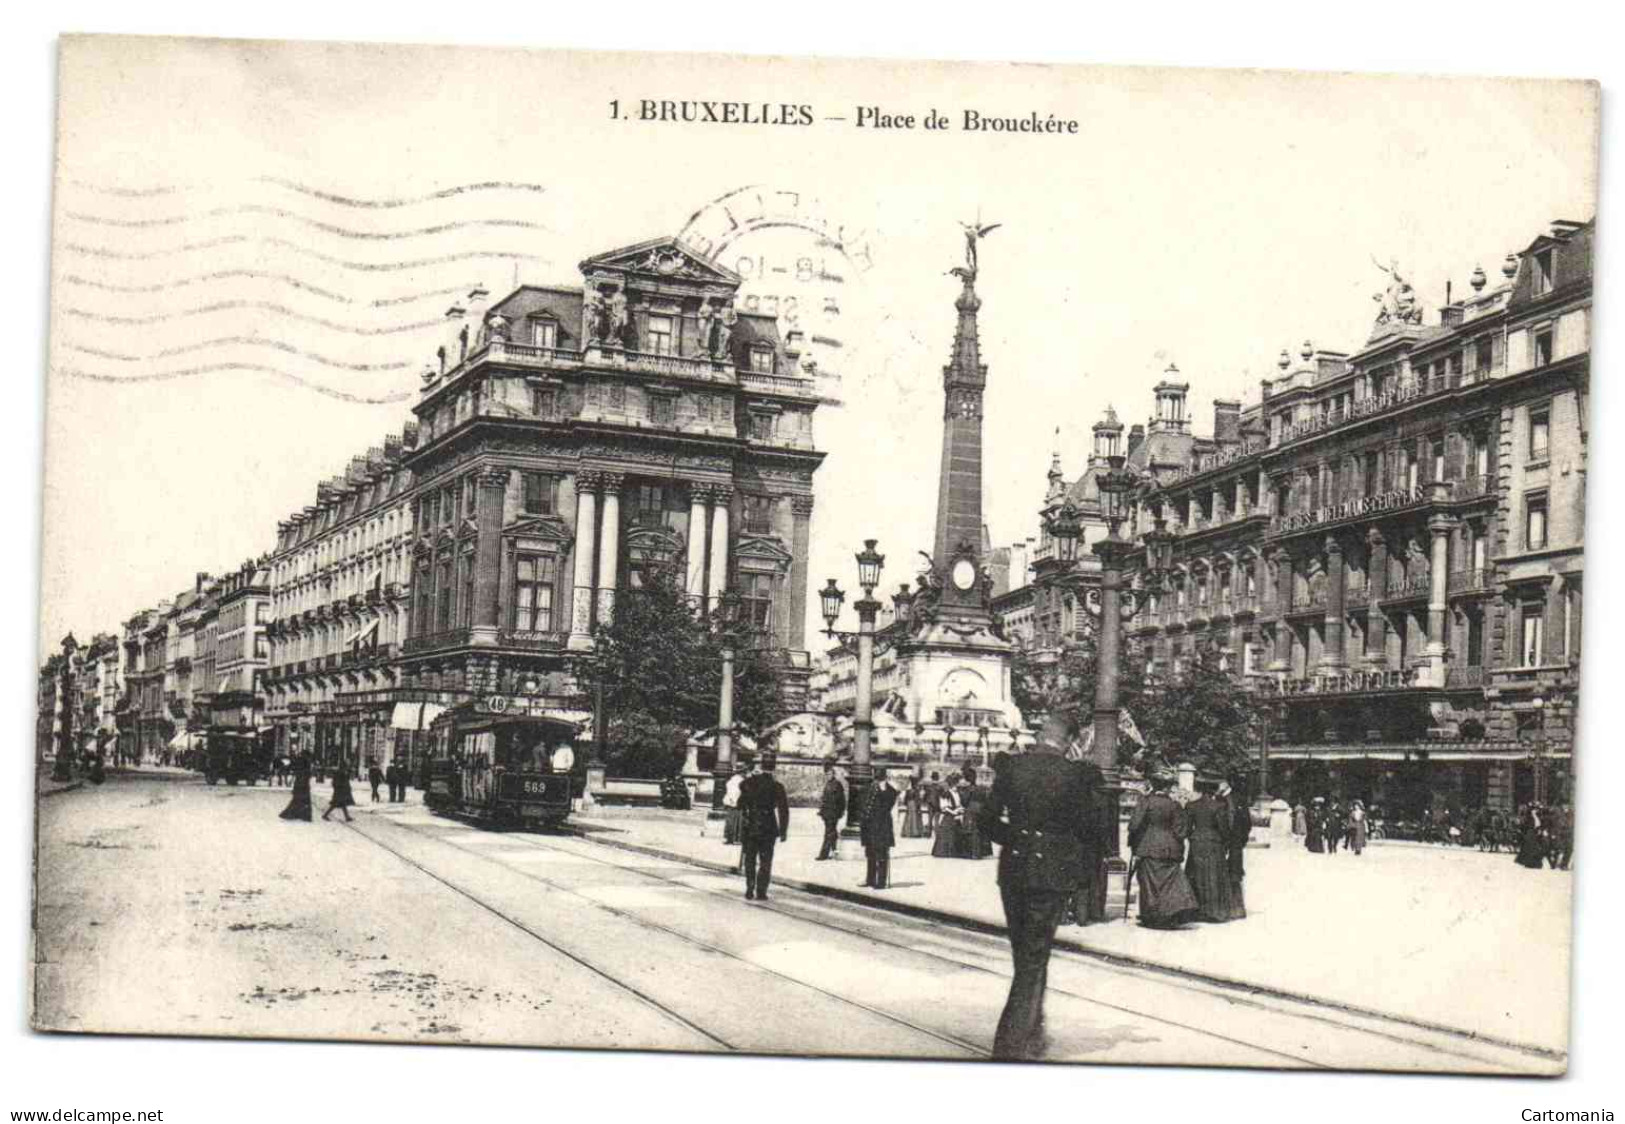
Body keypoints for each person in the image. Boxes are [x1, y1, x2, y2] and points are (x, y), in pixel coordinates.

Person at [976, 710, 1094, 1061]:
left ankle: (1032, 1031)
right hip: (1052, 873)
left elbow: (985, 820)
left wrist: (1015, 840)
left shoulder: (1012, 767)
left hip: (1013, 869)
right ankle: (1010, 1046)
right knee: (1033, 957)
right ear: (1070, 741)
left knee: (1024, 954)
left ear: (1041, 735)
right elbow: (1090, 831)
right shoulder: (1076, 776)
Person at [1128, 771, 1198, 929]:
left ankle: (1151, 916)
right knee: (1169, 883)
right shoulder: (1174, 805)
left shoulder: (1146, 801)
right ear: (1167, 787)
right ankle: (1169, 914)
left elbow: (1134, 825)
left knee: (1149, 883)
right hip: (1169, 848)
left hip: (1149, 846)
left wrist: (1134, 842)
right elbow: (1181, 830)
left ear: (1152, 784)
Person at [737, 755, 789, 901]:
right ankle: (761, 891)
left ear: (761, 766)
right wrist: (783, 831)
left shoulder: (747, 783)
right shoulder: (777, 786)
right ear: (773, 768)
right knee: (766, 860)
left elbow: (739, 805)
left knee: (750, 859)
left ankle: (749, 888)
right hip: (769, 826)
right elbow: (783, 810)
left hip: (751, 825)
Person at [1184, 782, 1232, 922]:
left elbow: (1187, 829)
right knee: (1213, 877)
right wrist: (1225, 843)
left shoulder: (1191, 806)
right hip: (1214, 843)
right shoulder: (1218, 806)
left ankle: (1195, 911)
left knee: (1195, 875)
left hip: (1197, 842)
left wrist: (1194, 837)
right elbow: (1223, 828)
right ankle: (1214, 912)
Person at [861, 767, 899, 889]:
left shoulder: (891, 791)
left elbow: (887, 806)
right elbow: (865, 803)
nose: (876, 779)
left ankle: (881, 882)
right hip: (870, 825)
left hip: (882, 826)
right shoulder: (870, 787)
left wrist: (883, 791)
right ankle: (870, 879)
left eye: (878, 776)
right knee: (870, 852)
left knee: (881, 853)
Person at [1221, 777, 1250, 920]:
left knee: (1235, 875)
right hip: (1221, 844)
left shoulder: (1239, 799)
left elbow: (1247, 822)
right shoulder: (1217, 800)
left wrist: (1240, 841)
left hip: (1235, 844)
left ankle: (1237, 908)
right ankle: (1225, 907)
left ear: (1225, 784)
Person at [957, 764, 991, 860]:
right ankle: (980, 852)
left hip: (970, 811)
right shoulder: (981, 788)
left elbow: (964, 802)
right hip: (981, 810)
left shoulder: (968, 789)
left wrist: (960, 794)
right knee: (979, 831)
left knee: (970, 832)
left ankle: (972, 853)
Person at [816, 761, 846, 860]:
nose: (828, 776)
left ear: (833, 774)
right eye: (827, 774)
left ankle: (823, 855)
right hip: (827, 813)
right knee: (831, 832)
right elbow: (824, 799)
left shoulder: (837, 784)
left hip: (833, 813)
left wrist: (841, 812)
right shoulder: (828, 784)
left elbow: (841, 800)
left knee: (828, 833)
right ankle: (835, 851)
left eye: (829, 774)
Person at [931, 779, 962, 858]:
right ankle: (944, 852)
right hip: (948, 816)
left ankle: (954, 852)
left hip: (955, 815)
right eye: (955, 786)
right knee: (946, 833)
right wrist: (953, 812)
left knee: (955, 833)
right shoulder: (946, 794)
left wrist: (959, 809)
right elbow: (944, 807)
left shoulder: (957, 794)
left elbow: (957, 804)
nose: (956, 787)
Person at [279, 753, 312, 822]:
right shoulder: (306, 767)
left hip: (300, 786)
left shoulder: (301, 767)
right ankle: (304, 816)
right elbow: (306, 777)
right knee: (303, 801)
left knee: (297, 801)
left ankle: (293, 814)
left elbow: (294, 770)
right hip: (304, 787)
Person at [722, 761, 747, 852]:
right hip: (738, 802)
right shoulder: (742, 781)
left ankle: (728, 838)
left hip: (730, 802)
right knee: (739, 820)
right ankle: (737, 838)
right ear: (742, 772)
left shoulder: (731, 781)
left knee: (730, 820)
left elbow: (729, 792)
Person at [323, 756, 356, 822]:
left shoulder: (343, 770)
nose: (349, 763)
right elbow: (339, 780)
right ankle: (325, 815)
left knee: (342, 804)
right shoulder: (341, 771)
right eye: (348, 762)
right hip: (340, 790)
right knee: (336, 804)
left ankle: (347, 817)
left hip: (342, 790)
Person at [1515, 803, 1548, 869]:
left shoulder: (1539, 817)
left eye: (1536, 809)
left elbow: (1542, 824)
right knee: (1530, 849)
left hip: (1537, 833)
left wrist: (1541, 830)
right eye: (1534, 809)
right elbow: (1524, 825)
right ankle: (1529, 863)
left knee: (1538, 849)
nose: (1535, 811)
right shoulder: (1528, 817)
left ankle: (1536, 863)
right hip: (1530, 833)